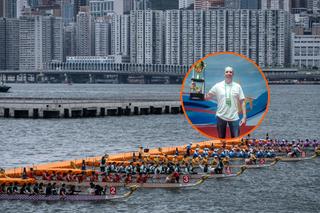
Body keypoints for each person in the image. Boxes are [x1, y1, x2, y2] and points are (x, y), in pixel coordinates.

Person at [205, 66, 246, 138]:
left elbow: (242, 102)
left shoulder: (238, 86)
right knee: (221, 140)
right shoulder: (217, 86)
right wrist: (198, 92)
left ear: (233, 74)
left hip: (234, 117)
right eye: (227, 72)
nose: (228, 73)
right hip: (221, 116)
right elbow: (207, 96)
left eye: (230, 72)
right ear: (224, 74)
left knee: (235, 141)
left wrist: (244, 116)